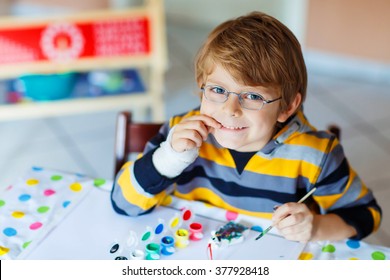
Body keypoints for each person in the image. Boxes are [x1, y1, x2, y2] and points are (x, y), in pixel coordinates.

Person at [111, 11, 382, 242]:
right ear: (201, 86)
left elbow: (366, 215)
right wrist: (167, 159)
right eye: (218, 89)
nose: (230, 110)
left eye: (253, 96)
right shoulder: (179, 135)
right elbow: (122, 204)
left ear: (287, 106)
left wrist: (315, 227)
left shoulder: (316, 155)